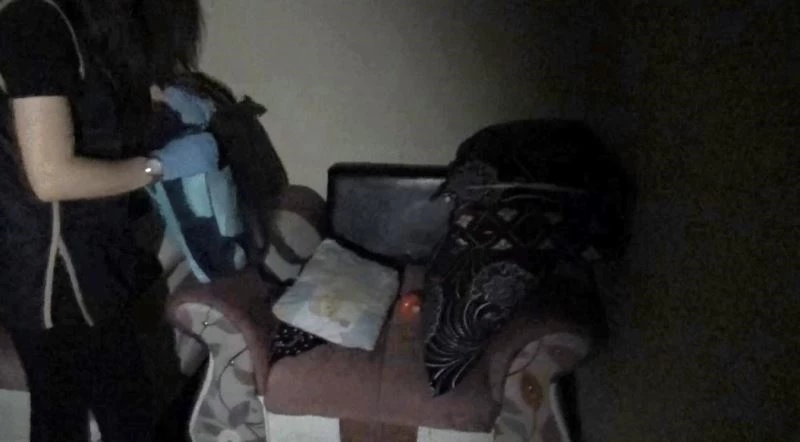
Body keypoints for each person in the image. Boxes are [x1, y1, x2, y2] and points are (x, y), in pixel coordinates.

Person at [0, 0, 217, 440]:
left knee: (71, 415)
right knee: (106, 416)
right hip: (51, 276)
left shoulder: (94, 34)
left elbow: (100, 134)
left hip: (98, 258)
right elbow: (50, 176)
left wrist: (169, 115)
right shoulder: (35, 22)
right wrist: (158, 166)